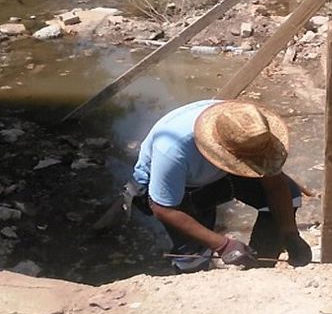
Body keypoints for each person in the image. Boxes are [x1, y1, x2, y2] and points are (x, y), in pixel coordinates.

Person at [118, 99, 312, 272]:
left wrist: (289, 233)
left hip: (218, 172)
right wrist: (223, 245)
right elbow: (163, 208)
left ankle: (258, 267)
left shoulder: (252, 132)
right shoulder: (173, 149)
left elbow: (276, 186)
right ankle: (192, 285)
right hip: (182, 187)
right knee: (193, 256)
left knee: (290, 196)